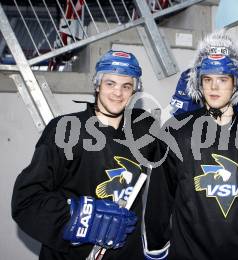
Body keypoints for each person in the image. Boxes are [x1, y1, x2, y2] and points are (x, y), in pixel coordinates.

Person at [11, 50, 156, 259]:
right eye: (110, 84)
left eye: (127, 86)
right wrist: (81, 218)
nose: (118, 93)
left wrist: (186, 109)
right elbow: (26, 201)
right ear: (97, 85)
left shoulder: (144, 129)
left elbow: (179, 162)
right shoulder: (66, 130)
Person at [142, 31, 238, 260]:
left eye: (222, 80)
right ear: (199, 84)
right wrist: (156, 245)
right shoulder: (176, 130)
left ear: (236, 84)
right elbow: (160, 199)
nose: (214, 87)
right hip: (189, 253)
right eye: (207, 79)